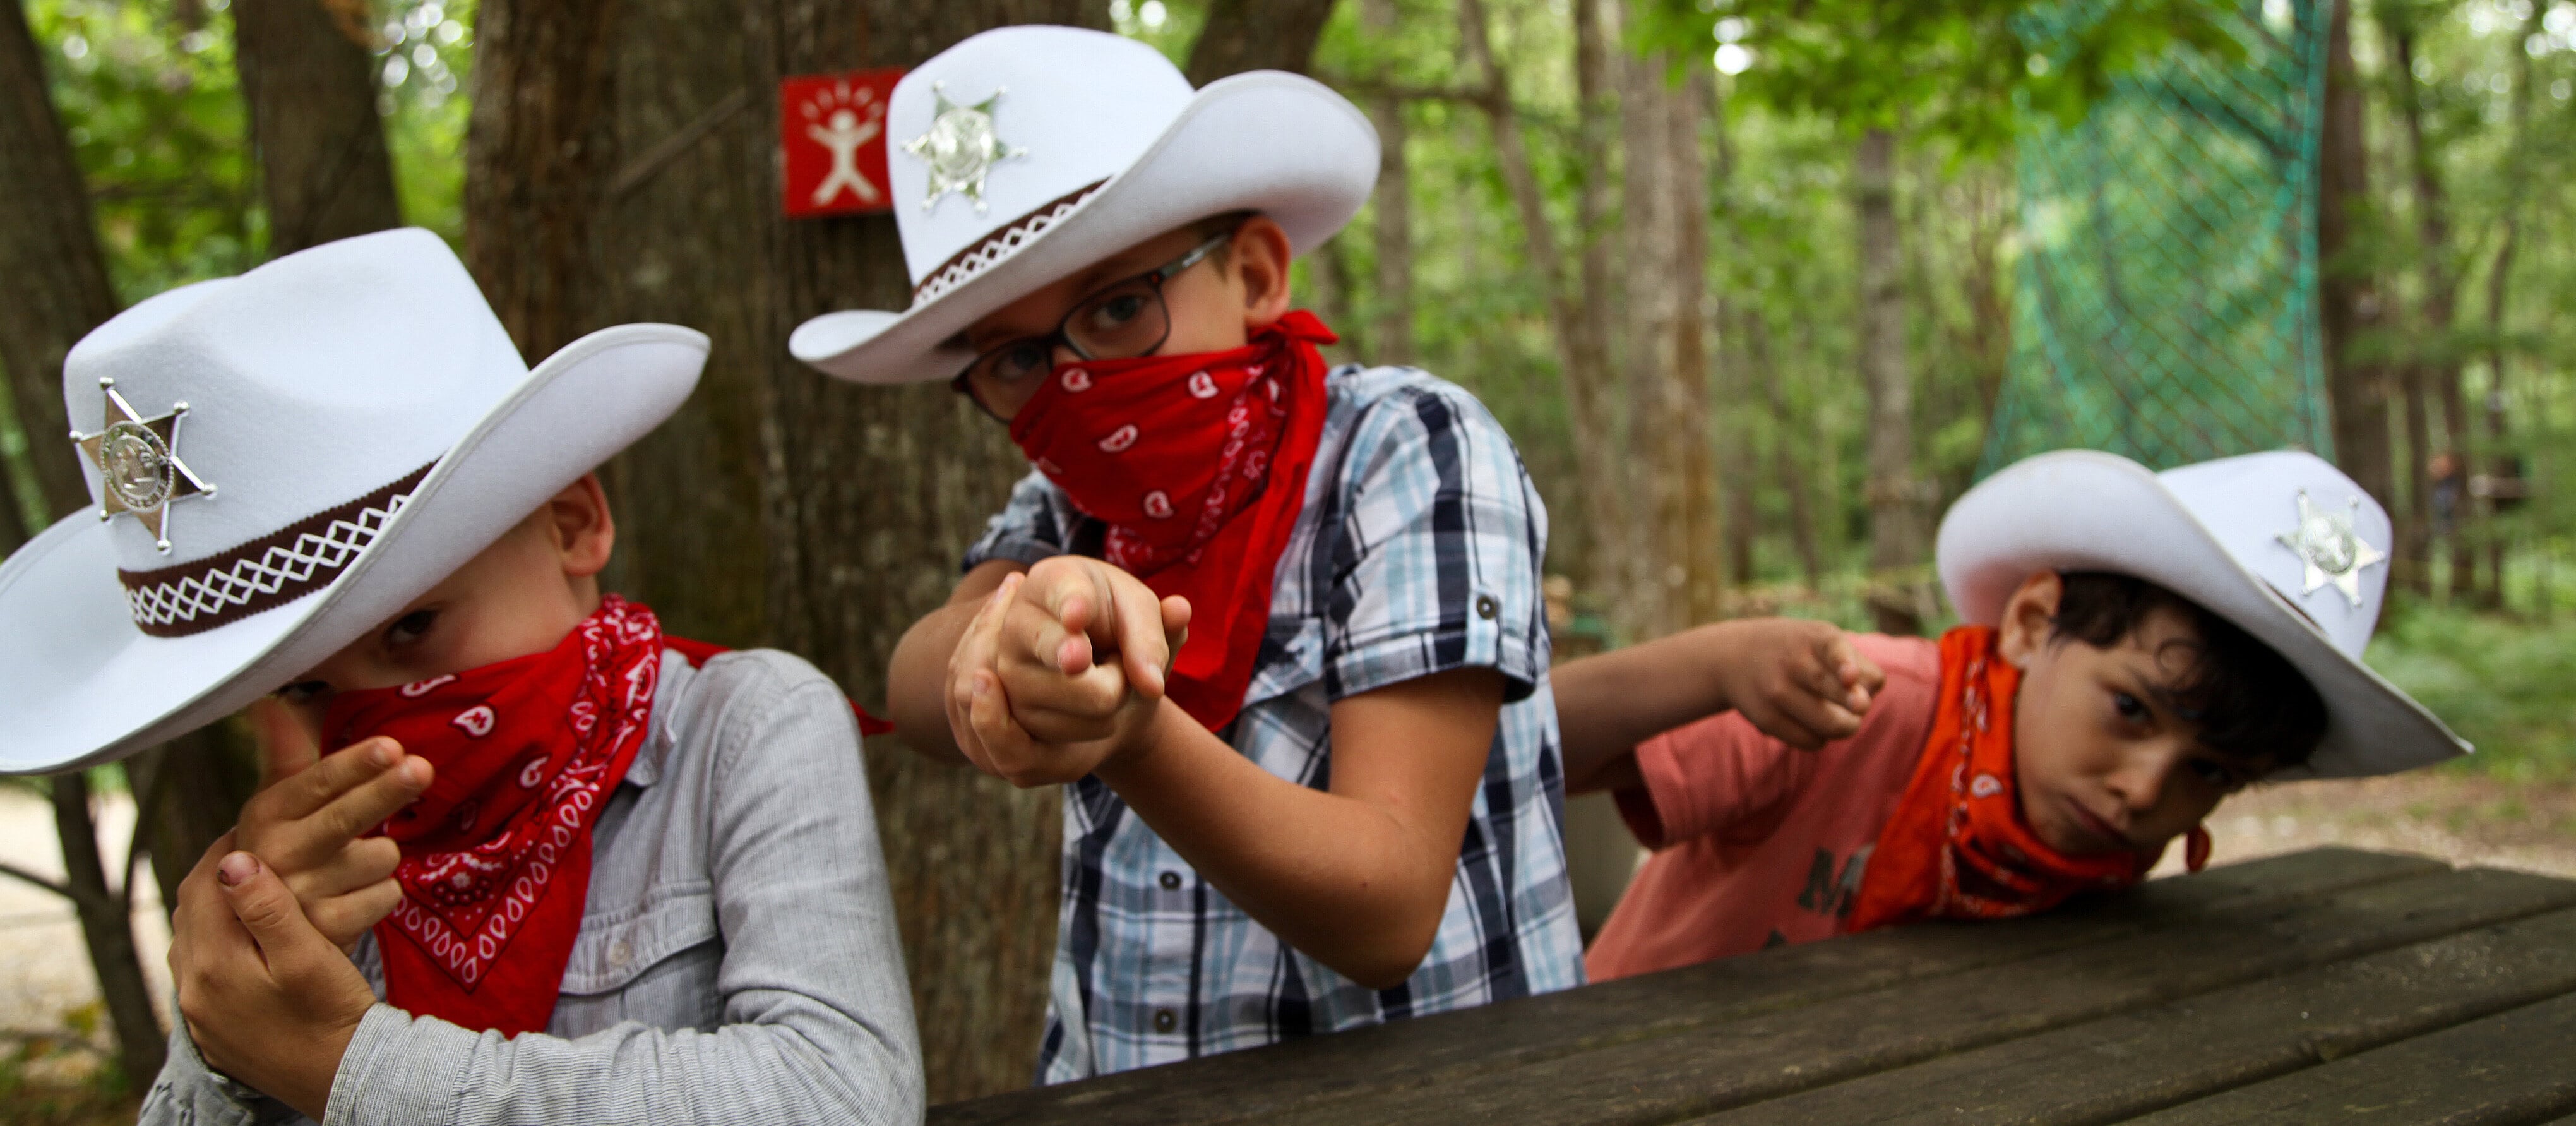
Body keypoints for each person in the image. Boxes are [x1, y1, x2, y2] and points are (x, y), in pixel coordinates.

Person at [790, 27, 1581, 1079]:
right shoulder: (1066, 505)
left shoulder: (1409, 451)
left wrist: (1126, 730)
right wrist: (1001, 654)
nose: (1075, 387)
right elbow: (917, 677)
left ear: (1254, 274)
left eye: (1119, 308)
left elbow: (1389, 909)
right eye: (1018, 358)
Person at [0, 229, 923, 1123]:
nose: (385, 725)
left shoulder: (741, 730)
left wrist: (346, 1068)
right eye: (309, 690)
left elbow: (840, 1093)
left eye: (413, 627)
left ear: (570, 524)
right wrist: (222, 1039)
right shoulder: (310, 869)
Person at [1552, 449, 2468, 981]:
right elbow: (1530, 747)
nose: (2144, 789)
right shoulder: (1857, 702)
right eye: (2129, 709)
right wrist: (1712, 666)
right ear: (2031, 623)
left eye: (2212, 771)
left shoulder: (2100, 835)